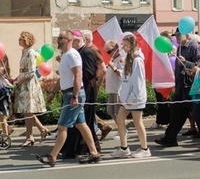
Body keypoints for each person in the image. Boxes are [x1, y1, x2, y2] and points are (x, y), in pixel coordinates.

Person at [36, 30, 100, 167]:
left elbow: (78, 76)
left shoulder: (72, 55)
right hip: (69, 93)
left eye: (61, 38)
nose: (58, 40)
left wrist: (75, 96)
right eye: (58, 38)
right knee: (81, 124)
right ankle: (94, 153)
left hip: (73, 94)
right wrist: (53, 93)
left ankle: (52, 156)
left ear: (70, 40)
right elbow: (64, 78)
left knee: (62, 126)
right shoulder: (66, 55)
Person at [154, 32, 200, 147]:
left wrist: (186, 62)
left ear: (187, 36)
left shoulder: (194, 47)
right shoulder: (180, 48)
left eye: (179, 36)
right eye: (176, 36)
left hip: (191, 87)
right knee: (176, 114)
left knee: (199, 112)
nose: (176, 38)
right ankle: (170, 138)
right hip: (181, 87)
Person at [115, 33, 150, 158]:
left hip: (135, 98)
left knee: (137, 122)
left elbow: (139, 81)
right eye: (123, 45)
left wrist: (131, 97)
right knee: (119, 119)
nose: (123, 47)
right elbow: (127, 78)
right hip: (127, 98)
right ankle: (124, 148)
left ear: (132, 45)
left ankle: (145, 148)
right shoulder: (130, 59)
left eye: (125, 45)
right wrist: (122, 94)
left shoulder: (137, 60)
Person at [13, 30, 50, 147]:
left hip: (28, 84)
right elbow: (23, 70)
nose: (18, 40)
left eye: (20, 39)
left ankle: (30, 136)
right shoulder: (24, 52)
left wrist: (19, 80)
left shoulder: (31, 53)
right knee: (26, 111)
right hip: (23, 83)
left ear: (25, 40)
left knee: (28, 111)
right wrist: (15, 79)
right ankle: (41, 129)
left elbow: (30, 72)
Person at [103, 40, 125, 154]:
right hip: (112, 90)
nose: (109, 54)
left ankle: (121, 131)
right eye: (107, 52)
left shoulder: (121, 59)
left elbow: (123, 74)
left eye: (110, 51)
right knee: (110, 110)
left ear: (116, 48)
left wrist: (114, 68)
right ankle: (121, 129)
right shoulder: (113, 59)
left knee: (117, 112)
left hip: (118, 90)